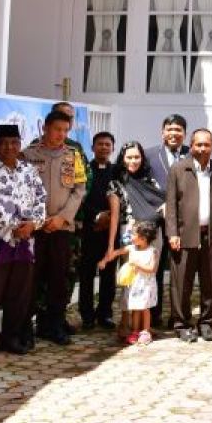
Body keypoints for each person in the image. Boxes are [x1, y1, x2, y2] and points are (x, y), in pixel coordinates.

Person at [0, 125, 46, 359]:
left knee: (20, 293)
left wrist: (32, 224)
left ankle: (11, 338)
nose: (9, 147)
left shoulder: (28, 170)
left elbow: (41, 200)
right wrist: (14, 226)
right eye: (3, 143)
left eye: (14, 142)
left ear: (20, 145)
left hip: (25, 240)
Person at [24, 109, 85, 345]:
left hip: (61, 228)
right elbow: (22, 191)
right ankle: (27, 328)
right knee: (31, 280)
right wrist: (38, 219)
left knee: (58, 279)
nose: (61, 134)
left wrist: (62, 217)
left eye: (65, 130)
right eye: (57, 129)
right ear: (45, 127)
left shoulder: (73, 156)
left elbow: (79, 190)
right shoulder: (28, 155)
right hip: (34, 229)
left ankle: (54, 324)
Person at [164, 129, 212, 343]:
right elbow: (171, 205)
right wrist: (172, 233)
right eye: (198, 144)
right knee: (181, 283)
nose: (202, 148)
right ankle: (182, 324)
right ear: (191, 146)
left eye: (206, 145)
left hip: (210, 236)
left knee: (210, 282)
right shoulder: (178, 169)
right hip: (184, 236)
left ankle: (206, 323)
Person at [105, 142, 165, 342]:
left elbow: (162, 201)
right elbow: (114, 216)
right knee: (129, 278)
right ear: (122, 159)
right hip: (130, 236)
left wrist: (164, 209)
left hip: (153, 235)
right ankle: (125, 322)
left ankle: (143, 326)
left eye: (136, 157)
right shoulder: (117, 183)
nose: (133, 161)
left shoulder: (150, 181)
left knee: (148, 279)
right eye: (129, 157)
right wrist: (111, 247)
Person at [145, 114, 187, 327]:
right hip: (157, 220)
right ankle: (154, 314)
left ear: (184, 134)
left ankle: (178, 315)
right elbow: (142, 186)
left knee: (181, 270)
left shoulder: (192, 155)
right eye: (170, 129)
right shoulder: (149, 155)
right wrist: (158, 205)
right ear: (163, 132)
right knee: (156, 268)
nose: (174, 134)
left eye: (178, 130)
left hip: (184, 222)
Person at [77, 131, 117, 332]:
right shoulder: (85, 170)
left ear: (112, 148)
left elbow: (121, 196)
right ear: (92, 148)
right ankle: (87, 315)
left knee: (109, 275)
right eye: (100, 144)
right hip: (90, 229)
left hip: (111, 231)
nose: (103, 147)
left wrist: (109, 216)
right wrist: (97, 216)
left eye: (107, 144)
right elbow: (79, 198)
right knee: (86, 274)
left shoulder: (117, 170)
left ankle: (105, 313)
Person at [102, 220, 160, 346]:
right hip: (134, 285)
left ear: (143, 238)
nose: (131, 236)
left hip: (146, 286)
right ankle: (134, 331)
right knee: (135, 308)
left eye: (134, 234)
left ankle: (145, 331)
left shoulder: (152, 251)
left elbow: (152, 269)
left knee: (144, 308)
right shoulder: (131, 248)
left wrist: (137, 264)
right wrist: (105, 260)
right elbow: (117, 252)